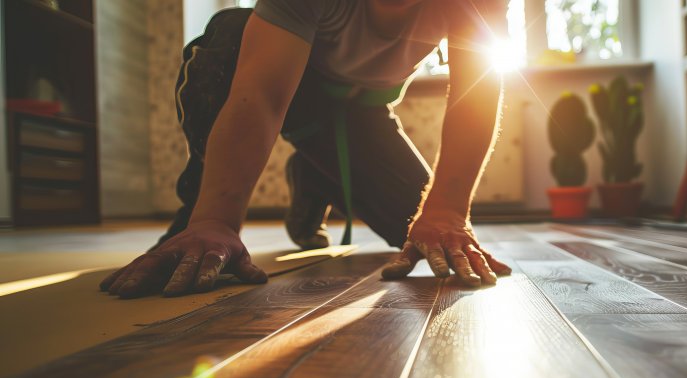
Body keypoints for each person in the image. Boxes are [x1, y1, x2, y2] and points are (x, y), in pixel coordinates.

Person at [101, 0, 512, 299]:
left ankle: (315, 177)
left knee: (418, 229)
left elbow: (475, 94)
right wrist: (215, 219)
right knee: (229, 34)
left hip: (361, 110)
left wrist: (446, 210)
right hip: (294, 81)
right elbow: (261, 95)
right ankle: (196, 216)